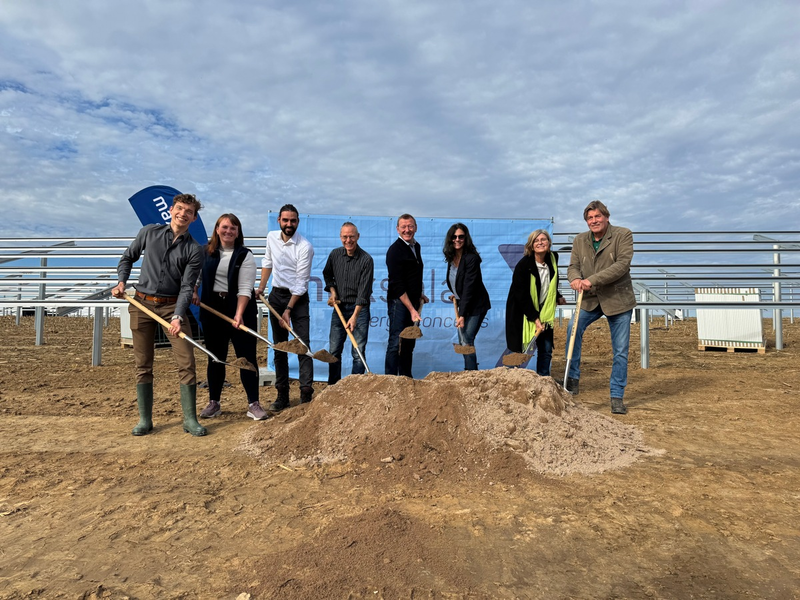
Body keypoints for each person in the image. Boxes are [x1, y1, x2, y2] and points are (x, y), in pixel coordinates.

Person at [112, 193, 207, 436]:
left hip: (171, 306)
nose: (183, 214)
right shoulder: (149, 232)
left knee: (187, 362)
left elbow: (187, 286)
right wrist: (121, 282)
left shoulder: (194, 249)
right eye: (179, 208)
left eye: (188, 212)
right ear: (171, 210)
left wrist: (177, 316)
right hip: (141, 305)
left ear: (194, 218)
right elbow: (128, 258)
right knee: (143, 363)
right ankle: (145, 419)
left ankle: (190, 419)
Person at [566, 200, 636, 414]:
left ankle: (617, 396)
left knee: (620, 350)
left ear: (606, 217)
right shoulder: (579, 240)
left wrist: (591, 280)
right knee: (572, 329)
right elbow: (573, 266)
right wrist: (575, 278)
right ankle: (572, 380)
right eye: (590, 218)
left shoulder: (623, 235)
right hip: (589, 299)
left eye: (597, 216)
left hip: (617, 299)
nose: (594, 221)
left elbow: (621, 265)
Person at [195, 214, 267, 421]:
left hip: (240, 309)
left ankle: (253, 403)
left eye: (233, 228)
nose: (228, 231)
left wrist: (239, 313)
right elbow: (196, 276)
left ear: (238, 232)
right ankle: (214, 402)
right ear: (217, 229)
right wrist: (194, 290)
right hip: (212, 309)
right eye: (225, 227)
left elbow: (245, 288)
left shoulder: (245, 255)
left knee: (246, 358)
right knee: (215, 357)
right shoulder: (205, 252)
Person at [256, 204, 314, 410]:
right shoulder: (272, 237)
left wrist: (288, 310)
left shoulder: (305, 247)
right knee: (279, 347)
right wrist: (261, 287)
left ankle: (306, 394)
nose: (289, 224)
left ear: (298, 222)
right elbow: (267, 262)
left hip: (297, 299)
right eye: (286, 220)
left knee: (302, 346)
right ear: (279, 220)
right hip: (276, 296)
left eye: (293, 221)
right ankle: (282, 396)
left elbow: (301, 283)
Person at [505, 229, 566, 376]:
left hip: (545, 312)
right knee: (519, 351)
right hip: (522, 312)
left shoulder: (553, 259)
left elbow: (550, 282)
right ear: (531, 246)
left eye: (543, 239)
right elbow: (522, 295)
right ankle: (513, 380)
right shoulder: (523, 265)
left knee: (546, 349)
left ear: (549, 242)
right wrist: (534, 318)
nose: (540, 243)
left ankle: (543, 380)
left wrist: (557, 296)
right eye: (536, 241)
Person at [323, 222, 374, 384]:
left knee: (358, 351)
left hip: (359, 310)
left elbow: (364, 292)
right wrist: (333, 292)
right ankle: (333, 387)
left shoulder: (366, 260)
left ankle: (354, 388)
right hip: (339, 307)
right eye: (345, 237)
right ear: (340, 237)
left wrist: (354, 316)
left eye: (351, 236)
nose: (348, 240)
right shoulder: (335, 255)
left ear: (358, 237)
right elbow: (327, 274)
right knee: (334, 351)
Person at [385, 213, 428, 377]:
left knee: (409, 342)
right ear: (398, 229)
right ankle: (390, 380)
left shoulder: (416, 247)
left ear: (415, 228)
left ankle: (405, 379)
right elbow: (397, 284)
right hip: (399, 303)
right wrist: (411, 309)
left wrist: (419, 294)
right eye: (403, 227)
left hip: (413, 302)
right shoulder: (394, 251)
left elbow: (413, 275)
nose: (407, 230)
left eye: (410, 226)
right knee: (396, 342)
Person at [443, 223, 491, 370]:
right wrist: (456, 294)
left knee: (466, 340)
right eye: (454, 237)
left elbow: (470, 287)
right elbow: (458, 281)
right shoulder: (452, 258)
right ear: (450, 239)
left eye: (461, 237)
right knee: (463, 340)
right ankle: (470, 371)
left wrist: (462, 314)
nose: (457, 239)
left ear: (466, 238)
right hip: (463, 302)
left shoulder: (471, 259)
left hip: (476, 304)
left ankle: (471, 373)